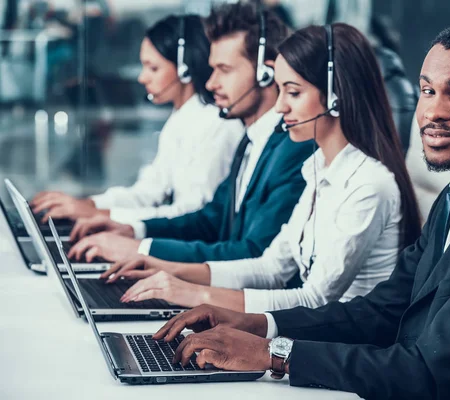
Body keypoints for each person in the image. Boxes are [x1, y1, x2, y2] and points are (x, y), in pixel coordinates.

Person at [149, 19, 450, 400]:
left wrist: (273, 355)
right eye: (427, 91)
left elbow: (431, 370)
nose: (433, 112)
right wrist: (254, 324)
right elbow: (381, 311)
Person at [98, 23, 422, 313]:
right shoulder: (319, 169)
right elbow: (271, 267)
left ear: (336, 96)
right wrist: (167, 270)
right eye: (280, 90)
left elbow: (316, 298)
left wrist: (195, 294)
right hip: (311, 339)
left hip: (340, 352)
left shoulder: (368, 184)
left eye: (293, 92)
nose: (280, 106)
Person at [64, 2, 315, 264]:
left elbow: (255, 254)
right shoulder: (251, 139)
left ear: (266, 73)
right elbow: (210, 220)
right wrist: (134, 231)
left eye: (224, 70)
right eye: (212, 68)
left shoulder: (292, 148)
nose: (210, 83)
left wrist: (141, 250)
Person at [31, 15, 245, 225]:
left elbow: (192, 213)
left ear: (184, 69)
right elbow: (149, 191)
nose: (142, 78)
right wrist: (88, 205)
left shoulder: (216, 124)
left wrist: (101, 216)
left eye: (153, 68)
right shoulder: (182, 118)